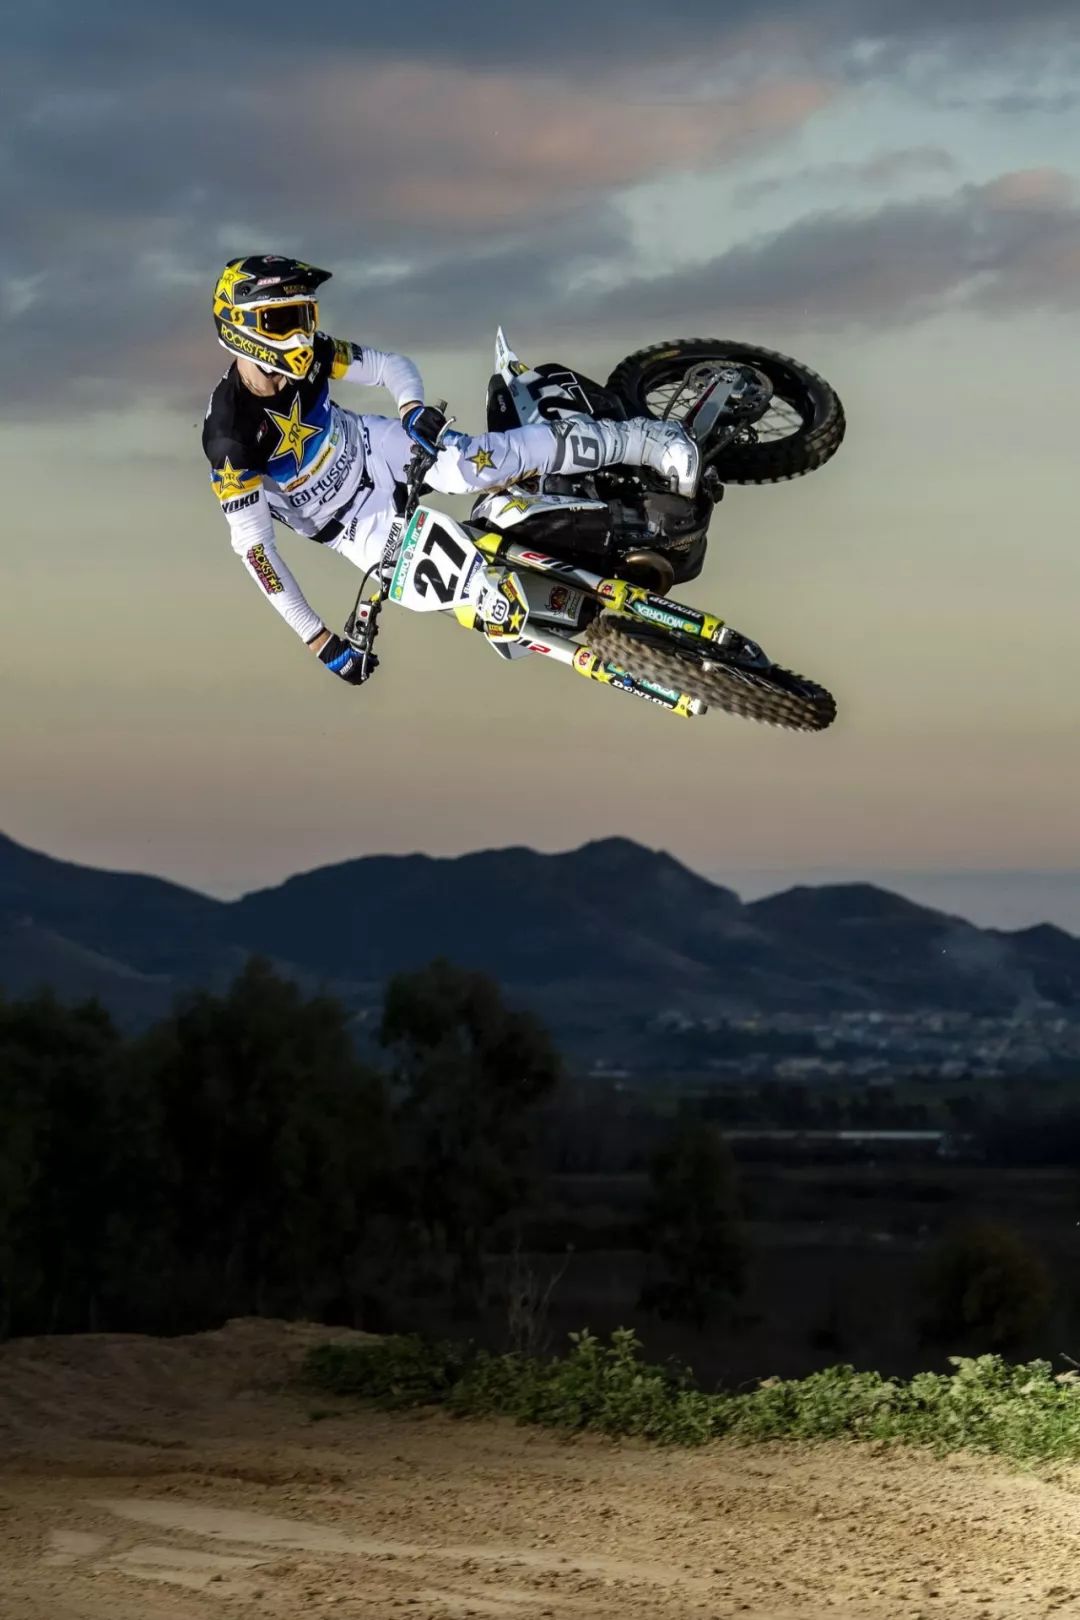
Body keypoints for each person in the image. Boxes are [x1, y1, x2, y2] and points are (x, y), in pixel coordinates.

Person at [202, 255, 700, 686]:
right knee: (474, 593)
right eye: (283, 320)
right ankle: (599, 621)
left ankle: (644, 439)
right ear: (243, 328)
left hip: (377, 448)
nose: (301, 334)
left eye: (304, 316)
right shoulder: (229, 438)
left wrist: (411, 408)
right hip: (353, 525)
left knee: (470, 468)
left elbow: (389, 367)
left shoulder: (314, 354)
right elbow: (256, 551)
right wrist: (319, 640)